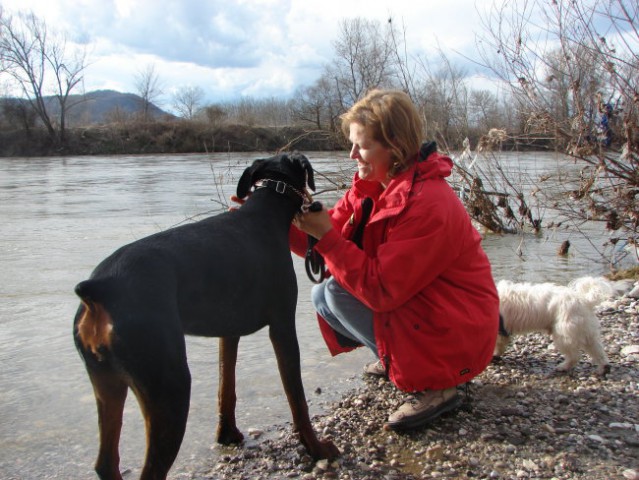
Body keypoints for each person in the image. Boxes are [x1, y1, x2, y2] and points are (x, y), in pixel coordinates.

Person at [288, 89, 500, 430]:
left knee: (338, 293)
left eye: (362, 145)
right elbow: (326, 238)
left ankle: (439, 385)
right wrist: (273, 220)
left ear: (396, 146)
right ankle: (400, 362)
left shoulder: (428, 203)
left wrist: (326, 237)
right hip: (431, 312)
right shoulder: (374, 186)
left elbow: (380, 289)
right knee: (323, 294)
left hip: (459, 331)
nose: (352, 154)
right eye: (352, 143)